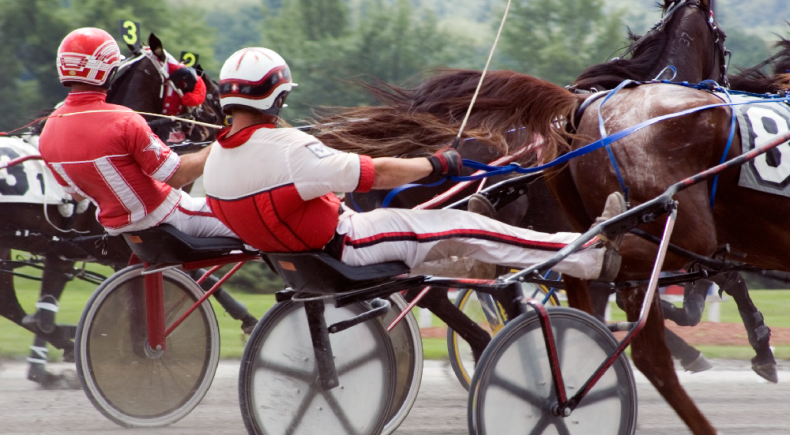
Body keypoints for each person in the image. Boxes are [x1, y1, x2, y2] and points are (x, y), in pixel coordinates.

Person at [203, 47, 625, 281]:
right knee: (468, 225)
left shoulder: (216, 161)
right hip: (347, 247)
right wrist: (439, 164)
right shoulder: (290, 148)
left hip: (303, 252)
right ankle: (585, 255)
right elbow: (376, 173)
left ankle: (470, 260)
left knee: (444, 232)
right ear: (279, 98)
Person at [39, 27, 234, 239]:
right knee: (254, 221)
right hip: (167, 215)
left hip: (119, 227)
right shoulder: (125, 121)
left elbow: (76, 194)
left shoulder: (48, 129)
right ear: (110, 72)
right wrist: (223, 142)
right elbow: (177, 176)